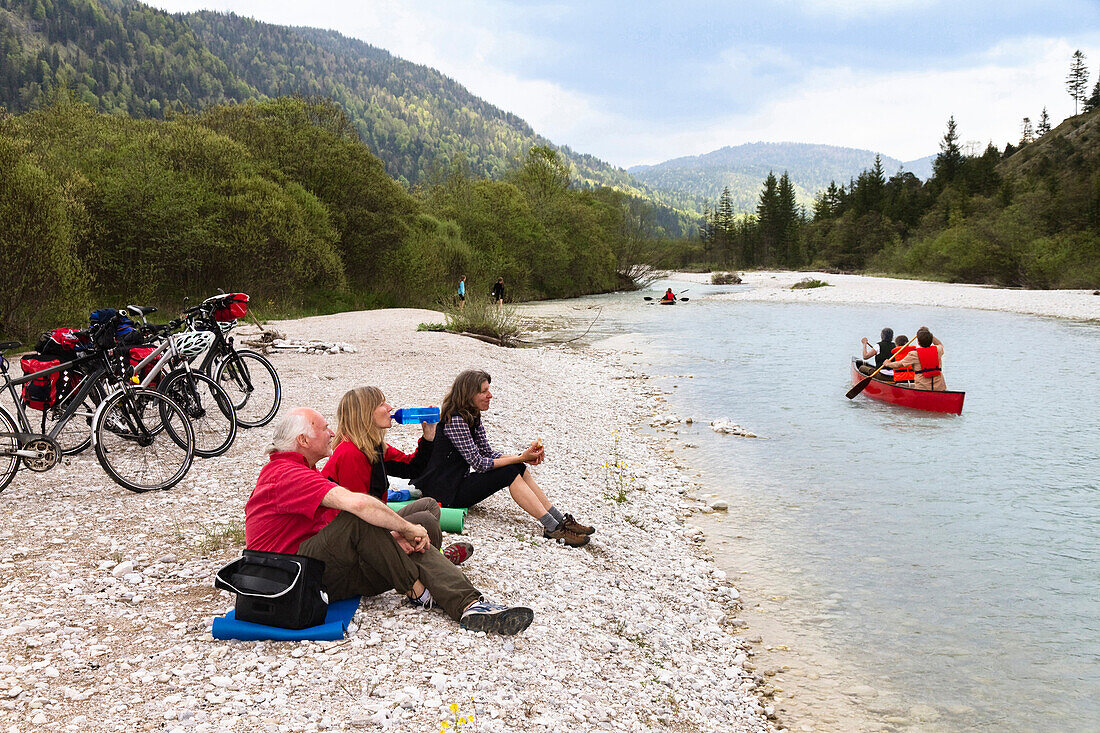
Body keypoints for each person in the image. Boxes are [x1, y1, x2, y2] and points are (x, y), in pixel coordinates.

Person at [244, 407, 534, 635]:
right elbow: (356, 507)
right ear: (303, 440)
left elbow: (414, 468)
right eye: (324, 429)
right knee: (370, 521)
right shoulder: (286, 473)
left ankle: (440, 579)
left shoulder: (358, 452)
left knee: (425, 518)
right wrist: (401, 530)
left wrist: (397, 533)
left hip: (317, 565)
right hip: (290, 578)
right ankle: (450, 598)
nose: (331, 433)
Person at [412, 369, 595, 547]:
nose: (490, 395)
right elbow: (479, 463)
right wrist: (519, 457)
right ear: (468, 394)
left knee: (518, 468)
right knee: (508, 471)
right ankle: (552, 527)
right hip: (443, 494)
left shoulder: (472, 416)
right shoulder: (455, 420)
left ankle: (559, 519)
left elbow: (487, 453)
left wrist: (522, 458)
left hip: (456, 484)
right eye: (484, 391)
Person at [322, 386, 472, 566]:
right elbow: (356, 516)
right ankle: (436, 564)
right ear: (365, 413)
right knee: (425, 520)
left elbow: (412, 468)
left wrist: (428, 437)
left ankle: (433, 558)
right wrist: (395, 533)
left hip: (370, 524)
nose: (390, 407)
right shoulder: (350, 454)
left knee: (430, 505)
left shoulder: (372, 446)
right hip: (350, 541)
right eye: (381, 404)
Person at [885, 327, 945, 391]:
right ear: (931, 340)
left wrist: (888, 364)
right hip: (939, 387)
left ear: (918, 342)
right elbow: (939, 344)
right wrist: (927, 333)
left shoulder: (914, 354)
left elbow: (899, 364)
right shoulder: (938, 350)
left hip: (922, 387)